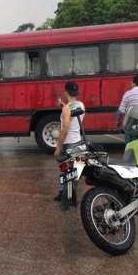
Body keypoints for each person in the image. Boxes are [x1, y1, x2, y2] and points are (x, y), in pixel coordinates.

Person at [53, 81, 85, 210]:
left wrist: (58, 147)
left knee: (67, 172)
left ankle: (67, 200)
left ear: (66, 92)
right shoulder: (81, 105)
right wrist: (64, 107)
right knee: (74, 171)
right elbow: (73, 117)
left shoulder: (66, 109)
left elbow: (65, 130)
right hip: (78, 142)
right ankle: (65, 194)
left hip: (68, 145)